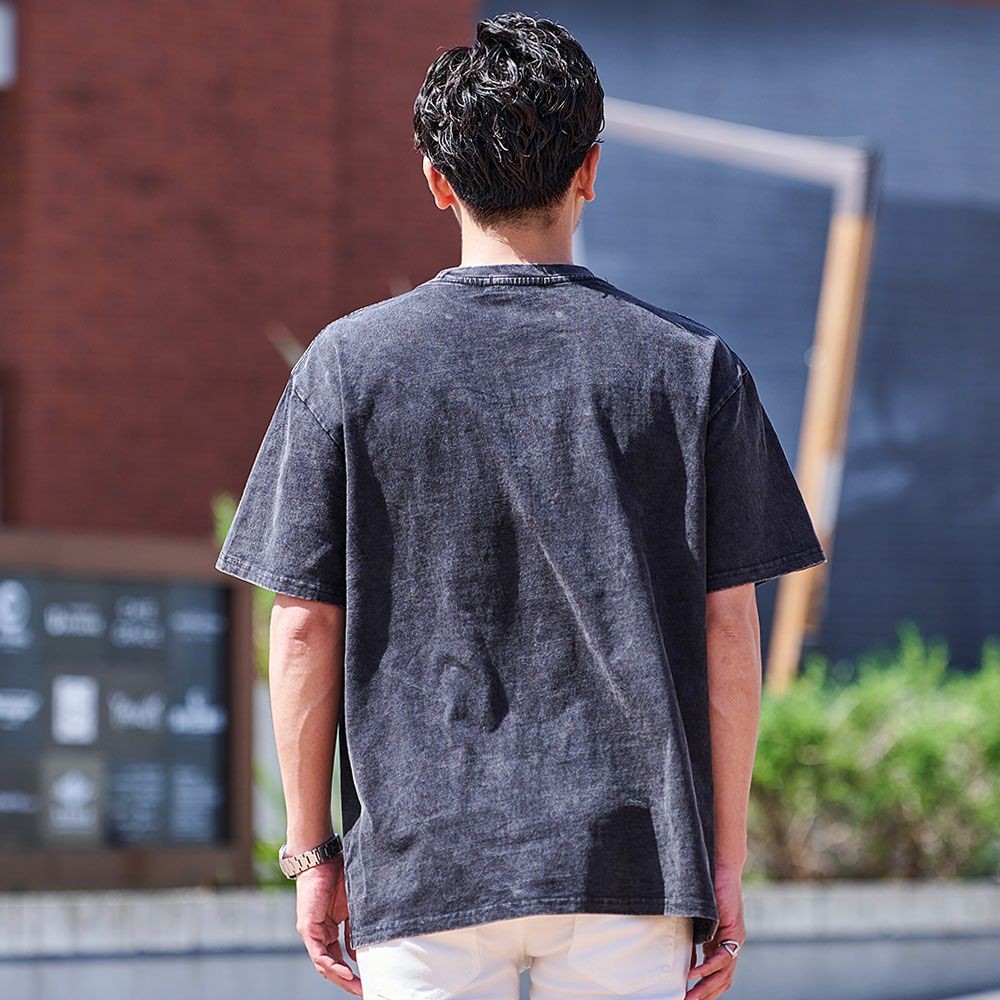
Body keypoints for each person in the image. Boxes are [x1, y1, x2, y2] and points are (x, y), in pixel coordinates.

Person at [215, 11, 827, 1000]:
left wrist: (310, 852)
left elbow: (300, 627)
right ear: (591, 170)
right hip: (630, 864)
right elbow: (728, 628)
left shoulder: (346, 368)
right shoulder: (692, 370)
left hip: (423, 862)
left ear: (436, 180)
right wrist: (723, 859)